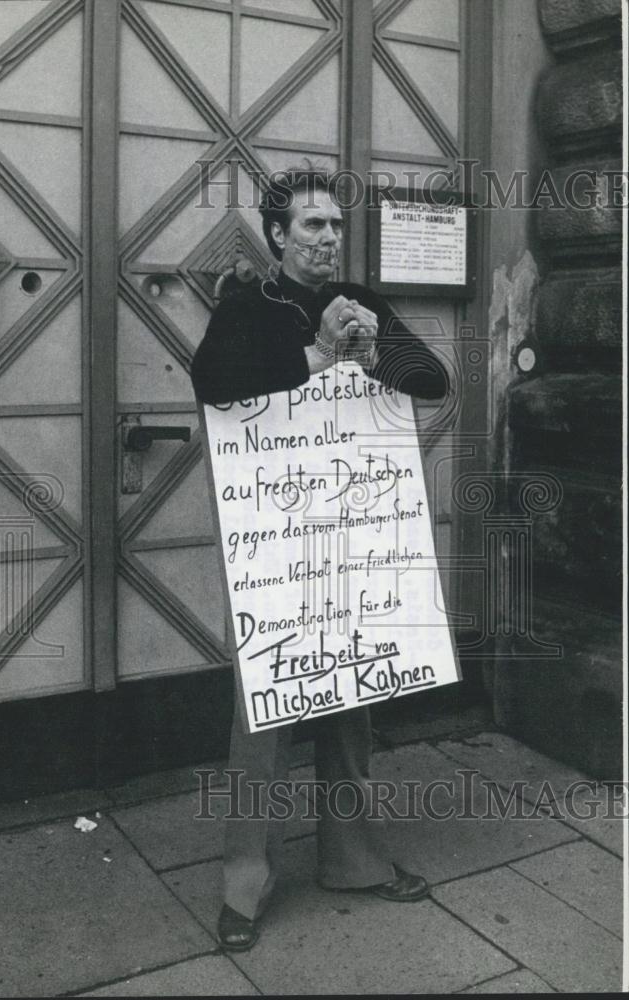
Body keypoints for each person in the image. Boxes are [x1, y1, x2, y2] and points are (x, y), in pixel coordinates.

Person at [190, 167, 449, 951]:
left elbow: (432, 381)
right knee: (263, 713)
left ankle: (354, 861)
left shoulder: (361, 301)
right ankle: (245, 883)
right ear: (277, 235)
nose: (328, 237)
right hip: (275, 544)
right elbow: (214, 382)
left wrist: (371, 358)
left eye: (335, 225)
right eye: (312, 225)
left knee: (350, 702)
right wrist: (317, 353)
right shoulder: (246, 307)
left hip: (349, 538)